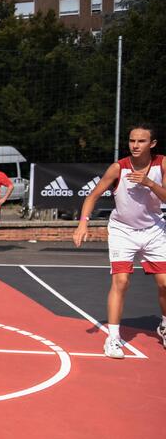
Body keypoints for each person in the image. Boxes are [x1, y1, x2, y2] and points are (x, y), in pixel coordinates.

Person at [73, 125, 166, 358]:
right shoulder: (119, 167)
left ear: (152, 144)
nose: (135, 145)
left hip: (154, 230)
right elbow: (92, 196)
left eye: (141, 141)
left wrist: (150, 183)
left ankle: (164, 325)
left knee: (165, 283)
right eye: (132, 140)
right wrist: (83, 223)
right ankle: (113, 338)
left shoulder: (162, 164)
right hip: (122, 230)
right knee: (121, 281)